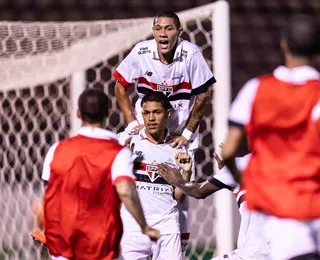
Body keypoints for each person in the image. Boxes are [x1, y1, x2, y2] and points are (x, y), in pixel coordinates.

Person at [113, 10, 216, 252]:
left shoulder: (190, 54)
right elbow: (120, 84)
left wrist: (187, 134)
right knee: (130, 182)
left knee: (179, 193)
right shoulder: (142, 51)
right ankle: (127, 238)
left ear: (179, 33)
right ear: (153, 31)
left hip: (178, 135)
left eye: (169, 28)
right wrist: (131, 123)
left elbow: (203, 95)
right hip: (144, 131)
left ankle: (174, 248)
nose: (163, 33)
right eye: (159, 28)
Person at [221, 15, 320, 260]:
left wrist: (241, 178)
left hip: (273, 207)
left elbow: (229, 149)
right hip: (309, 204)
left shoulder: (255, 89)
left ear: (284, 44)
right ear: (317, 50)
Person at [35, 88, 160, 260]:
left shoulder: (57, 149)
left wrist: (45, 228)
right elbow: (125, 191)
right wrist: (144, 227)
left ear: (78, 113)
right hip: (100, 246)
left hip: (64, 245)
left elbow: (49, 194)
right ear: (108, 113)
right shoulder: (118, 152)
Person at [117, 92, 192, 260]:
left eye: (156, 112)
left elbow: (178, 197)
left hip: (166, 226)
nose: (151, 118)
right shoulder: (129, 141)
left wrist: (186, 172)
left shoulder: (177, 148)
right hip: (132, 226)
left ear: (168, 113)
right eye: (146, 113)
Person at [158, 150, 271, 260]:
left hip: (251, 255)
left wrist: (178, 180)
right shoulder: (286, 166)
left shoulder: (244, 164)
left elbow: (198, 191)